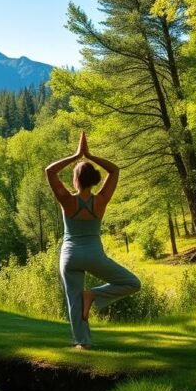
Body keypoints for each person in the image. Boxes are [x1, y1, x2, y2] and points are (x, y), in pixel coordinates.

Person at [45, 130, 140, 349]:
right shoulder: (101, 200)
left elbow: (50, 171)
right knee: (132, 283)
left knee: (73, 299)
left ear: (76, 179)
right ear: (94, 180)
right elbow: (114, 170)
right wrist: (90, 156)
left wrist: (77, 156)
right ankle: (94, 295)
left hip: (70, 256)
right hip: (94, 255)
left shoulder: (67, 201)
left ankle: (83, 342)